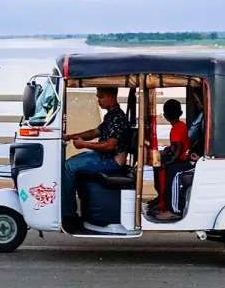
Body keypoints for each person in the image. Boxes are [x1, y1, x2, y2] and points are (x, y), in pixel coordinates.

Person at [61, 86, 132, 229]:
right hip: (104, 156)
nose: (98, 101)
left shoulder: (117, 117)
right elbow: (95, 132)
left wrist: (83, 144)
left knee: (69, 167)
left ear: (111, 96)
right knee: (73, 163)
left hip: (111, 160)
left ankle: (68, 214)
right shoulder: (111, 115)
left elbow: (110, 145)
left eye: (101, 97)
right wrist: (71, 136)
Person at [148, 99, 190, 212]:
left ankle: (167, 206)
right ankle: (161, 198)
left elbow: (179, 147)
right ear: (180, 113)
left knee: (163, 168)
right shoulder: (181, 125)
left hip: (182, 159)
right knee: (158, 163)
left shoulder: (175, 129)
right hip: (182, 156)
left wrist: (172, 160)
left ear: (165, 116)